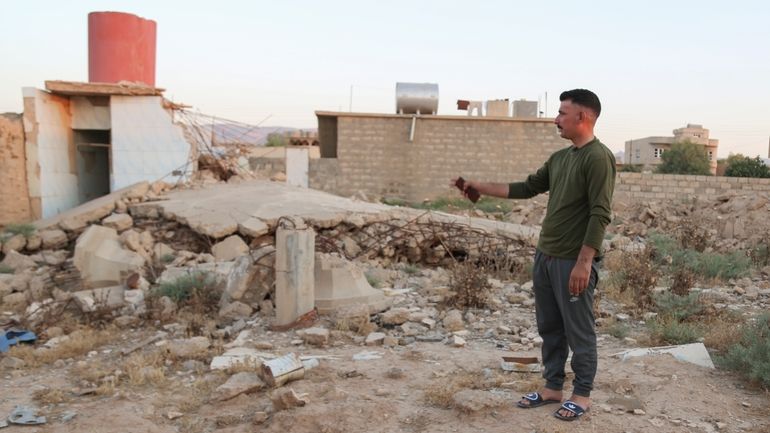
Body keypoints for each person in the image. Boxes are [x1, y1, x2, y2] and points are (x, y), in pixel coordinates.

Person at [454, 89, 615, 421]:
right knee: (550, 328)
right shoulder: (560, 159)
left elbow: (600, 213)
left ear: (582, 117)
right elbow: (526, 188)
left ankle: (581, 395)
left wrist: (584, 262)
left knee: (579, 331)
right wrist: (479, 186)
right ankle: (553, 387)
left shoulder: (598, 158)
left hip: (573, 261)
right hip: (547, 257)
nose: (556, 119)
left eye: (561, 113)